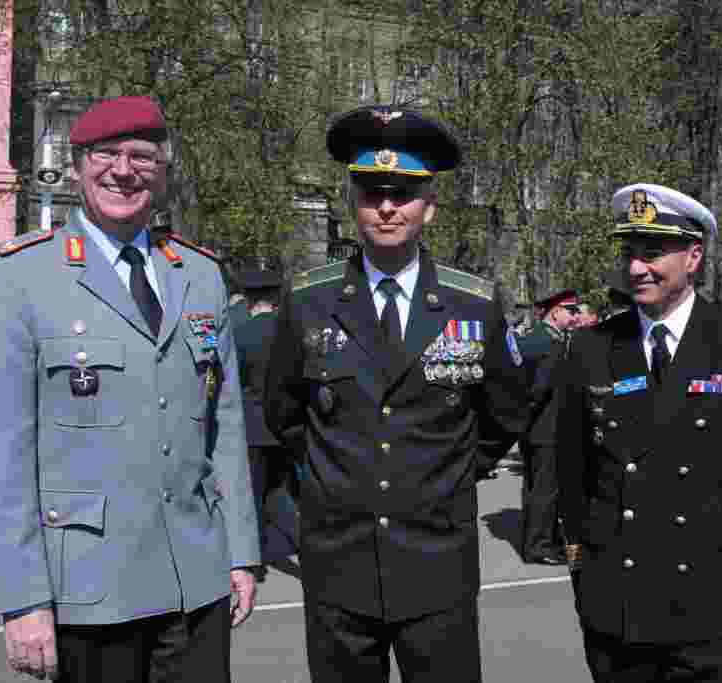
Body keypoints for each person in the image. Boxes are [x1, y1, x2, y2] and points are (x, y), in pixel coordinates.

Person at [0, 96, 260, 682]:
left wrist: (240, 552)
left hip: (196, 580)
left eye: (141, 157)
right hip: (87, 589)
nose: (123, 171)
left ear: (163, 171)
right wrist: (23, 598)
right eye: (105, 154)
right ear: (77, 165)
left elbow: (224, 426)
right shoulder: (20, 275)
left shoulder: (198, 274)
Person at [262, 105, 530, 683]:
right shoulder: (307, 300)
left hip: (437, 563)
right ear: (352, 203)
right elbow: (284, 413)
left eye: (403, 194)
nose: (387, 207)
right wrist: (339, 478)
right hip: (337, 563)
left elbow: (504, 415)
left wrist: (441, 476)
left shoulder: (474, 303)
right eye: (372, 193)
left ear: (429, 206)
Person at [558, 182, 722, 682]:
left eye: (652, 253)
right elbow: (571, 470)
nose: (635, 268)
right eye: (629, 253)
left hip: (712, 602)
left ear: (693, 256)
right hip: (617, 602)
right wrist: (582, 566)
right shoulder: (591, 348)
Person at [233, 267, 300, 579]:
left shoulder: (240, 333)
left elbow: (234, 382)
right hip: (285, 425)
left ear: (248, 300)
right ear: (276, 298)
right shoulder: (291, 332)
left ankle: (254, 561)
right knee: (281, 491)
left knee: (253, 496)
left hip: (252, 428)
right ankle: (303, 544)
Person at [517, 288, 580, 565]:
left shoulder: (535, 337)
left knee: (535, 487)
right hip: (546, 426)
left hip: (533, 427)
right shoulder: (550, 343)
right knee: (546, 489)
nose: (575, 315)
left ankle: (538, 541)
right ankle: (540, 546)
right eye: (571, 310)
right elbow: (539, 389)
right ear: (555, 312)